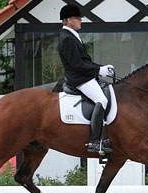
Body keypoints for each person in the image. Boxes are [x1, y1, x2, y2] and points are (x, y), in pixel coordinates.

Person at [58, 4, 114, 155]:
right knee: (102, 100)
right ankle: (94, 142)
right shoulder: (67, 38)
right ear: (69, 20)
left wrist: (101, 68)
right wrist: (98, 70)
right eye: (78, 18)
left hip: (84, 76)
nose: (81, 20)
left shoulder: (72, 35)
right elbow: (77, 65)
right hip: (79, 80)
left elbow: (85, 61)